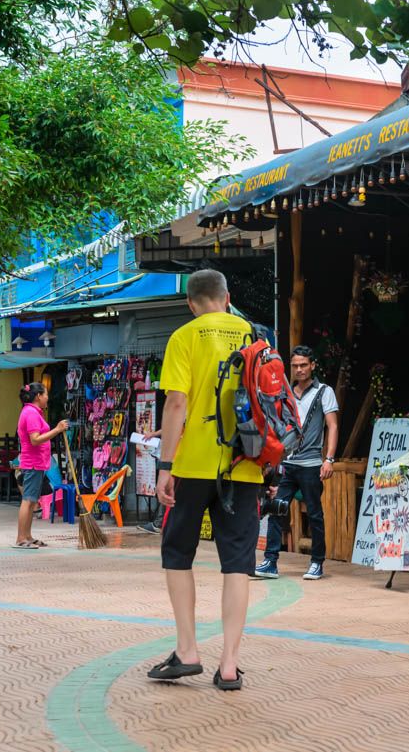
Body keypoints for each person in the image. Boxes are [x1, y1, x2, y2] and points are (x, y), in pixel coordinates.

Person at [147, 269, 262, 691]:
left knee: (178, 553)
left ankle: (188, 651)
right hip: (244, 463)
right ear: (227, 296)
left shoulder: (184, 336)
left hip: (193, 465)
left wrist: (165, 464)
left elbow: (176, 403)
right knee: (238, 563)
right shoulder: (252, 333)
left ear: (190, 303)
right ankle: (229, 665)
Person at [255, 345, 338, 581]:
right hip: (288, 464)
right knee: (276, 509)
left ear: (312, 365)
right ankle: (270, 561)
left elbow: (332, 426)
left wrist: (329, 459)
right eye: (295, 366)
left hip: (312, 464)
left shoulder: (324, 391)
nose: (299, 369)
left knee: (314, 514)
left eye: (304, 365)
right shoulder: (285, 393)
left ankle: (317, 563)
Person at [15, 382, 67, 550]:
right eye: (45, 395)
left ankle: (28, 536)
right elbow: (35, 439)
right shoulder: (30, 413)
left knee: (32, 501)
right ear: (38, 396)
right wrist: (57, 430)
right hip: (32, 463)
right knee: (28, 500)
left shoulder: (34, 412)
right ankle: (21, 538)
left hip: (38, 463)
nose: (47, 398)